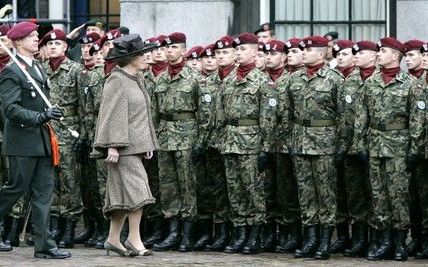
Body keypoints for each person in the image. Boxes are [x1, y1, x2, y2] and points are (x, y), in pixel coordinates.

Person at [0, 21, 70, 259]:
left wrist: (51, 113)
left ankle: (44, 245)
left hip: (41, 141)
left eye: (35, 35)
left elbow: (41, 103)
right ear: (17, 42)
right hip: (21, 141)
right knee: (15, 189)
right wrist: (40, 116)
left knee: (43, 195)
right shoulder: (12, 71)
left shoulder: (37, 67)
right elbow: (10, 109)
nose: (35, 39)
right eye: (30, 36)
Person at [354, 37, 425, 261]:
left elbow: (417, 119)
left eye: (383, 51)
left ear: (395, 55)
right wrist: (361, 144)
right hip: (375, 143)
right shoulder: (371, 83)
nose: (379, 55)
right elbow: (361, 116)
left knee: (398, 196)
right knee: (378, 195)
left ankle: (399, 243)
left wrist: (415, 148)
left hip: (399, 146)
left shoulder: (409, 83)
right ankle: (384, 241)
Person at [93, 34, 158, 257]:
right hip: (122, 148)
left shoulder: (136, 79)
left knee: (122, 195)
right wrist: (111, 145)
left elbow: (140, 116)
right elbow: (110, 115)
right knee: (138, 191)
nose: (146, 58)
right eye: (142, 54)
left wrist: (147, 142)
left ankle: (113, 239)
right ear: (130, 58)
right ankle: (133, 238)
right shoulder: (116, 80)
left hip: (135, 146)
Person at [290, 36, 342, 260]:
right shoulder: (295, 78)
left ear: (321, 54)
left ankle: (324, 241)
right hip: (301, 140)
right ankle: (310, 239)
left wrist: (340, 145)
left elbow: (344, 116)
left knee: (325, 193)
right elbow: (289, 111)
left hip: (325, 143)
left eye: (308, 50)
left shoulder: (334, 79)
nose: (303, 52)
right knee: (305, 192)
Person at [217, 32, 269, 254]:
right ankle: (240, 235)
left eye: (243, 49)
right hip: (230, 141)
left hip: (251, 142)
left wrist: (265, 147)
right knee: (235, 190)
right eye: (236, 50)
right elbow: (220, 114)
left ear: (255, 51)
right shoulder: (228, 81)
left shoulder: (261, 80)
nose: (238, 53)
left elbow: (267, 118)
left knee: (252, 190)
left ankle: (254, 236)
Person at [152, 32, 200, 253]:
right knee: (168, 186)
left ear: (183, 50)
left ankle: (188, 234)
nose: (169, 51)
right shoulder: (160, 79)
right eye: (166, 48)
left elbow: (204, 113)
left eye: (173, 48)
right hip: (165, 135)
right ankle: (172, 232)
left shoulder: (194, 77)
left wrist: (201, 140)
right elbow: (153, 112)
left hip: (187, 135)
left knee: (187, 185)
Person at [41, 28, 83, 249]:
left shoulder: (75, 70)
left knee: (70, 180)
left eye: (57, 44)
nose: (53, 47)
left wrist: (83, 135)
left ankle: (69, 227)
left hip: (68, 129)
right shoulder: (41, 70)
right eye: (49, 44)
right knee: (51, 180)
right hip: (47, 130)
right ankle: (55, 224)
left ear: (66, 47)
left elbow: (84, 108)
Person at [340, 40, 378, 258]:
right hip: (351, 146)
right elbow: (343, 116)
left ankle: (376, 239)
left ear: (373, 56)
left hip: (376, 146)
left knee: (376, 194)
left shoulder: (379, 80)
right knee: (356, 194)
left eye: (361, 53)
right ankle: (360, 238)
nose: (356, 56)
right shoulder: (350, 81)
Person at [202, 35, 236, 252]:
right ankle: (222, 233)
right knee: (218, 190)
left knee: (236, 188)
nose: (221, 56)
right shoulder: (211, 81)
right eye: (218, 53)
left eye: (225, 52)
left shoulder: (239, 78)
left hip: (237, 142)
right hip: (214, 143)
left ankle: (237, 233)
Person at [141, 35, 168, 249]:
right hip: (146, 136)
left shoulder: (167, 76)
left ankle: (164, 228)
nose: (157, 53)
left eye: (161, 49)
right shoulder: (142, 76)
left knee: (164, 185)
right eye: (152, 50)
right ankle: (150, 228)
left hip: (168, 136)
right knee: (148, 183)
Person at [191, 44, 219, 251]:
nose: (208, 60)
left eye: (212, 57)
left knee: (219, 190)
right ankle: (204, 232)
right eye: (205, 58)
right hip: (199, 141)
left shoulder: (225, 82)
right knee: (201, 189)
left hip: (221, 141)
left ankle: (222, 233)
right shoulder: (198, 83)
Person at [403, 39, 426, 257]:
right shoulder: (408, 82)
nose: (408, 60)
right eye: (406, 56)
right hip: (409, 146)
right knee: (413, 196)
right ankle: (417, 237)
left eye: (413, 56)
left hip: (422, 147)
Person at [414, 42, 428, 259]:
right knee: (424, 197)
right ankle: (424, 241)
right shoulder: (418, 85)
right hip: (423, 148)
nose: (424, 57)